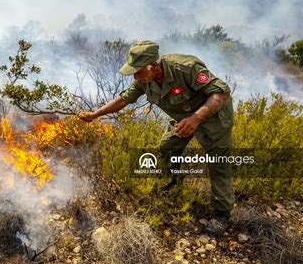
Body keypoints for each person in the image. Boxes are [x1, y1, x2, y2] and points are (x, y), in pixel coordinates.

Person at [78, 40, 234, 236]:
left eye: (138, 71)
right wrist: (95, 115)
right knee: (168, 147)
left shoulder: (185, 67)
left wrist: (196, 118)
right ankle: (174, 184)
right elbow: (124, 99)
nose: (135, 76)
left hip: (213, 118)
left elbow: (221, 92)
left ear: (154, 65)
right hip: (182, 118)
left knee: (217, 162)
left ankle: (222, 213)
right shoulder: (145, 80)